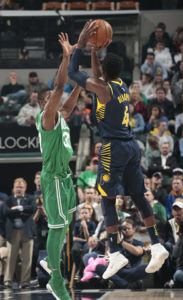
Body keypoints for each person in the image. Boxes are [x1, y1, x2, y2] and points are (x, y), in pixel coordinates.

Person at [68, 20, 169, 280]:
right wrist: (94, 51)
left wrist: (80, 43)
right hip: (131, 146)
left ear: (104, 72)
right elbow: (98, 74)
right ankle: (157, 245)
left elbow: (72, 72)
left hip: (113, 147)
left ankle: (114, 251)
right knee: (137, 195)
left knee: (107, 198)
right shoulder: (121, 85)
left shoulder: (101, 88)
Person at [36, 32, 81, 300]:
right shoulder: (47, 118)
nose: (55, 100)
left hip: (64, 176)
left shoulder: (60, 115)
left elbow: (68, 103)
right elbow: (59, 86)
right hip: (52, 177)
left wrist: (80, 85)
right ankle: (55, 279)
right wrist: (66, 59)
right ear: (45, 103)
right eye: (51, 98)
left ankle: (49, 262)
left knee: (66, 222)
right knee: (56, 226)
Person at [3, 178, 36, 288]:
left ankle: (25, 282)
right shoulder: (8, 199)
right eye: (17, 187)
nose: (19, 189)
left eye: (21, 187)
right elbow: (6, 211)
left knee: (27, 258)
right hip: (13, 232)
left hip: (27, 232)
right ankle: (8, 281)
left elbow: (32, 208)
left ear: (25, 188)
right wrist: (22, 211)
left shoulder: (30, 198)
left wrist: (18, 208)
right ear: (13, 188)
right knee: (11, 257)